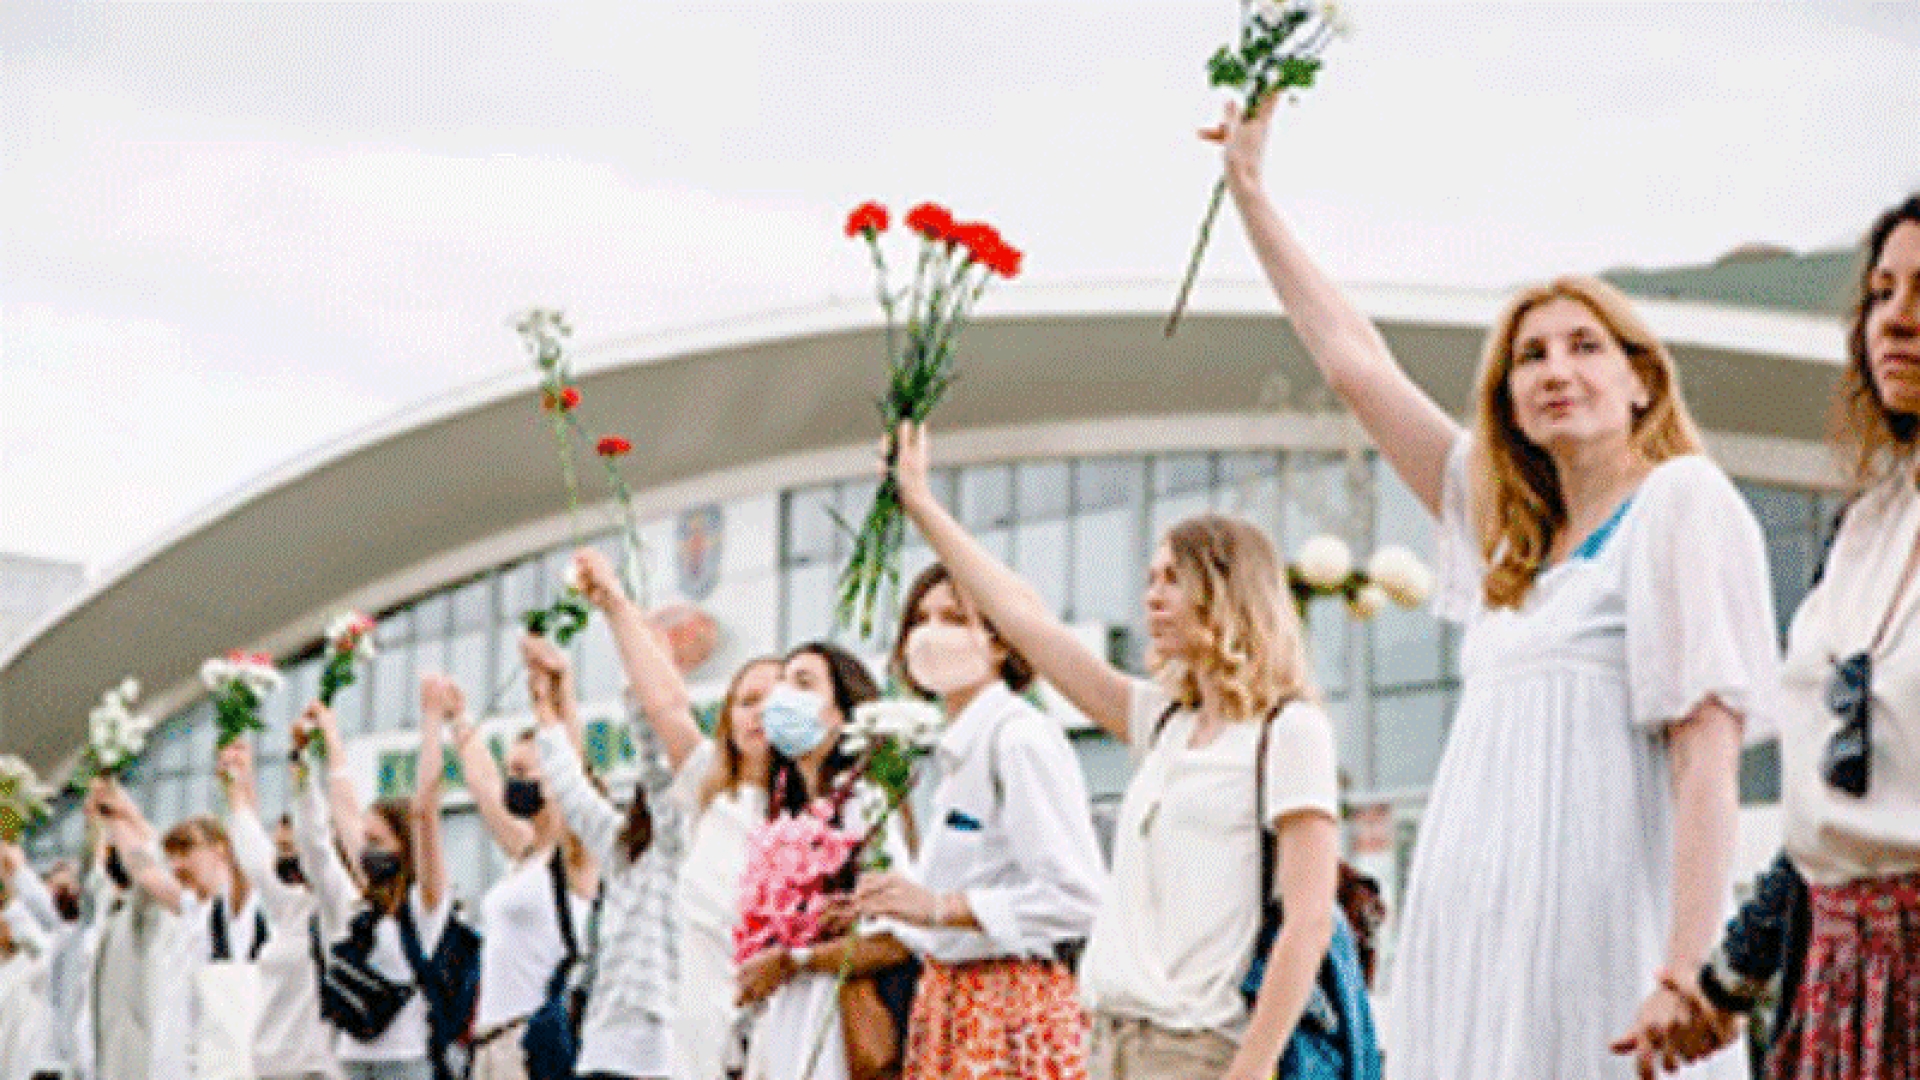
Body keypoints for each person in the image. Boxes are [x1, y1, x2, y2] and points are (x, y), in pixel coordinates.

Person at [1212, 95, 1781, 1078]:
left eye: (1584, 346)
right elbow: (1356, 367)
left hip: (1602, 929)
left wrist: (1689, 968)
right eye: (1529, 355)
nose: (1555, 369)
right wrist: (1249, 192)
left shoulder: (1682, 503)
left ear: (1643, 380)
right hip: (1474, 927)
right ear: (1508, 397)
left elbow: (1705, 764)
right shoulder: (1499, 530)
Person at [891, 423, 1358, 1080]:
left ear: (1227, 591)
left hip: (1199, 1047)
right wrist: (922, 503)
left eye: (1173, 578)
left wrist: (1250, 1071)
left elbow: (1307, 922)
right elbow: (1027, 619)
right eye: (1150, 577)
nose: (1153, 596)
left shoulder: (1290, 729)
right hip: (1109, 1038)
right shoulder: (1162, 719)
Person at [1636, 195, 1920, 1079]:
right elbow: (1822, 817)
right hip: (1835, 981)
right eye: (1880, 293)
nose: (1898, 321)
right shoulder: (1865, 528)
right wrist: (1723, 984)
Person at [846, 562, 1106, 1080]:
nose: (930, 634)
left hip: (1007, 1004)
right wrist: (891, 907)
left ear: (1002, 642)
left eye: (954, 618)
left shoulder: (1019, 739)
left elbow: (1077, 897)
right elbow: (959, 901)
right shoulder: (955, 749)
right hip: (950, 999)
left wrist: (942, 906)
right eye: (920, 619)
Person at [569, 547, 783, 1080]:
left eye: (778, 697)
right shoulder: (710, 795)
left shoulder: (831, 805)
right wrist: (617, 604)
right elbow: (662, 708)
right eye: (746, 700)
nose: (759, 712)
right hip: (703, 1047)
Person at [734, 642, 913, 1080]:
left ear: (841, 714)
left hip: (834, 1023)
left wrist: (797, 958)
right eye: (783, 683)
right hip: (785, 1022)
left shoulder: (865, 803)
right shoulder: (782, 812)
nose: (783, 697)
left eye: (804, 683)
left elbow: (900, 938)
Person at [520, 623, 680, 1080]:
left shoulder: (682, 842)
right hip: (601, 1050)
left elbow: (659, 760)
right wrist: (544, 707)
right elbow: (571, 787)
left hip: (660, 1053)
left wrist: (642, 681)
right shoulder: (622, 848)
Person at [440, 673, 599, 1080]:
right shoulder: (526, 850)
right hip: (489, 1044)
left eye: (524, 771)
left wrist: (556, 695)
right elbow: (483, 784)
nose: (515, 782)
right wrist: (459, 719)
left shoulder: (575, 853)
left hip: (533, 1040)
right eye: (512, 771)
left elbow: (575, 764)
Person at [294, 693, 455, 1080]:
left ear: (405, 845)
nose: (366, 851)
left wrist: (432, 721)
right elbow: (344, 807)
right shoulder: (365, 896)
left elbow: (425, 810)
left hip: (405, 1060)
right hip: (351, 1057)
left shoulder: (425, 902)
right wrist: (325, 742)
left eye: (378, 842)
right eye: (365, 841)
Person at [217, 739, 345, 1080]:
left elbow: (315, 842)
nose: (283, 855)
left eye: (291, 848)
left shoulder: (333, 907)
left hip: (313, 1068)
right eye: (281, 846)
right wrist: (235, 781)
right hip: (269, 1066)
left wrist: (302, 772)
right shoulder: (287, 904)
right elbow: (251, 847)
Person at [2, 845, 92, 1080]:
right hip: (44, 1063)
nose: (61, 894)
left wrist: (17, 872)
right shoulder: (54, 941)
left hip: (77, 1062)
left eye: (67, 888)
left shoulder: (80, 938)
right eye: (55, 888)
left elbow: (41, 920)